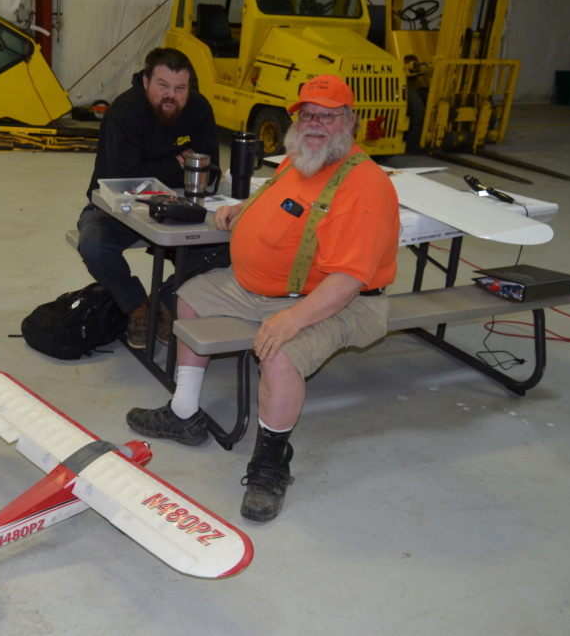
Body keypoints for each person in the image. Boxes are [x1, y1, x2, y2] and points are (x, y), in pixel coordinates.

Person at [126, 74, 400, 522]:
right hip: (259, 289)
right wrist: (243, 210)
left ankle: (270, 463)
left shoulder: (363, 187)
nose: (314, 124)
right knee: (189, 297)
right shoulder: (303, 158)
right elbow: (279, 197)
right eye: (307, 114)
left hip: (337, 300)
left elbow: (349, 279)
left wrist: (291, 321)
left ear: (349, 121)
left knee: (280, 355)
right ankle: (184, 412)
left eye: (327, 117)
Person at [77, 48, 229, 350]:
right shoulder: (125, 111)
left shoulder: (199, 109)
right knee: (93, 245)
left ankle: (165, 303)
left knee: (230, 242)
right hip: (117, 208)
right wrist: (177, 162)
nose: (171, 95)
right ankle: (138, 306)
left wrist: (165, 171)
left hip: (183, 204)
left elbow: (211, 168)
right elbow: (124, 176)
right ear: (146, 81)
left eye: (180, 88)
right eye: (163, 85)